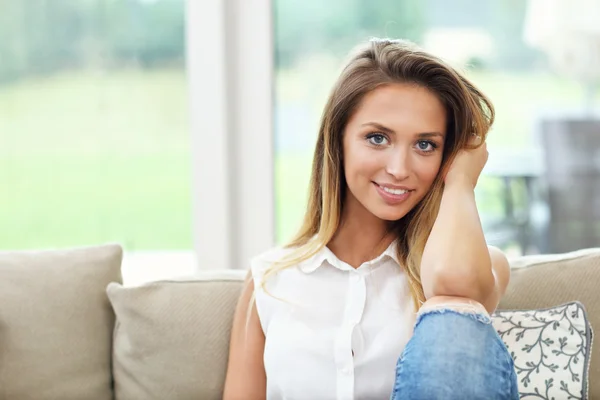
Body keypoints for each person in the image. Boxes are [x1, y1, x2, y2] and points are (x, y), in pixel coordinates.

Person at [223, 38, 519, 400]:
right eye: (377, 138)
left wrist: (460, 182)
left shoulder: (478, 268)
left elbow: (454, 287)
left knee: (448, 320)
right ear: (338, 140)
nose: (399, 169)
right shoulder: (269, 280)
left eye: (426, 145)